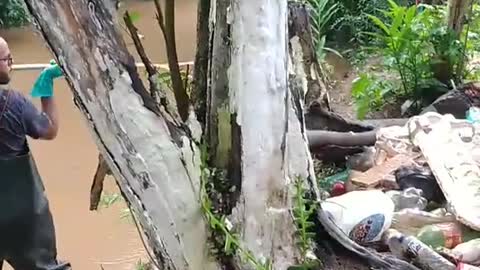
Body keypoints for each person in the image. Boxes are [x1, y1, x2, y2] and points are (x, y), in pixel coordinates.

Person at [0, 37, 71, 269]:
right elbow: (49, 129)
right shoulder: (14, 103)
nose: (11, 63)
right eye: (6, 59)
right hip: (21, 220)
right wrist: (46, 87)